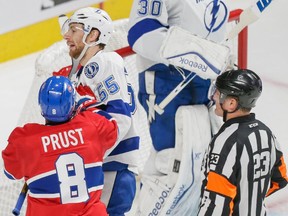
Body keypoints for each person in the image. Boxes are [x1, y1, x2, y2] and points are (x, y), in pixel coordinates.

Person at [127, 0, 230, 214]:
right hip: (167, 84)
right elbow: (141, 32)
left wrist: (221, 60)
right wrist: (195, 54)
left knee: (201, 160)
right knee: (171, 162)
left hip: (203, 84)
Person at [54, 7, 140, 215]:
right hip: (99, 171)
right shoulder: (83, 72)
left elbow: (120, 118)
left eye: (74, 30)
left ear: (93, 35)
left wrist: (88, 157)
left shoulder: (103, 63)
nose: (67, 36)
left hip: (111, 171)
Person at [2, 76, 118, 216]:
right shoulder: (93, 126)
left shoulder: (25, 141)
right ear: (72, 104)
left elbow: (10, 173)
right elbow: (113, 126)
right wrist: (85, 104)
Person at [198, 69, 288, 215]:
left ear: (232, 103)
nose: (214, 97)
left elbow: (217, 204)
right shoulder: (265, 132)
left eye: (219, 93)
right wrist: (250, 198)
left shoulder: (225, 142)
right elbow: (280, 178)